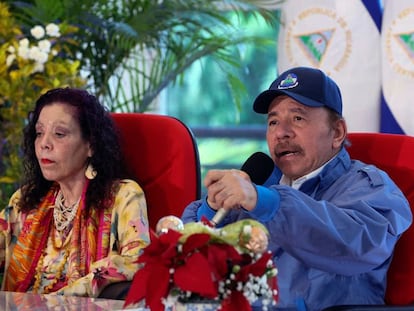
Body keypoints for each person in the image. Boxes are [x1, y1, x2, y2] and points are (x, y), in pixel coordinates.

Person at [182, 67, 412, 310]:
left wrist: (268, 203)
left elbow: (353, 244)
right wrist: (210, 209)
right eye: (273, 122)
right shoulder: (259, 185)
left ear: (337, 132)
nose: (281, 133)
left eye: (297, 118)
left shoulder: (369, 187)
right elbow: (185, 261)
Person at [0, 87, 150, 297]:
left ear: (91, 145)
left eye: (59, 134)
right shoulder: (25, 201)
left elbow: (138, 261)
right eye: (39, 133)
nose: (44, 144)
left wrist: (67, 295)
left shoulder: (123, 196)